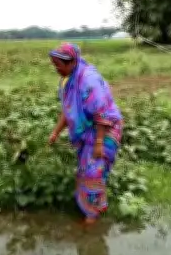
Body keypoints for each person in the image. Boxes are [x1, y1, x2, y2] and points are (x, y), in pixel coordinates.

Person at [47, 43, 123, 224]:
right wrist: (55, 132)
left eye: (58, 64)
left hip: (105, 129)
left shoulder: (88, 80)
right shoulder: (67, 80)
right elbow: (68, 109)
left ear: (71, 62)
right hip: (88, 130)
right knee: (85, 171)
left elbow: (101, 113)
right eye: (54, 64)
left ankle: (92, 217)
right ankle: (91, 206)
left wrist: (98, 143)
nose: (56, 68)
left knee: (93, 173)